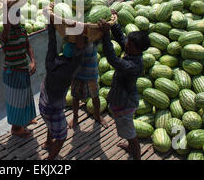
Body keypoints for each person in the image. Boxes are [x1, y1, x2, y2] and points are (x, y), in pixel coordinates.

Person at [98, 12, 150, 160]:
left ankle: (137, 155)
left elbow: (112, 59)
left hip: (125, 104)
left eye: (130, 45)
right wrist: (114, 25)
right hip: (121, 100)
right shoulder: (132, 51)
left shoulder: (133, 66)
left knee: (130, 134)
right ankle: (130, 146)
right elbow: (121, 38)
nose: (126, 45)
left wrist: (105, 35)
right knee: (126, 130)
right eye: (127, 43)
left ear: (139, 49)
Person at [39, 21, 87, 160]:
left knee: (51, 124)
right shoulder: (69, 71)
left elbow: (52, 44)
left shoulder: (51, 62)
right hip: (54, 108)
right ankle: (49, 160)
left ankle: (48, 142)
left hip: (42, 104)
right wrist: (79, 30)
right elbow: (78, 54)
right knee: (61, 136)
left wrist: (51, 26)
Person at [0, 6, 37, 139]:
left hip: (23, 70)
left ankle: (26, 119)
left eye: (17, 15)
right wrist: (6, 6)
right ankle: (16, 128)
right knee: (16, 100)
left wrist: (32, 61)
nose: (15, 18)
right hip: (12, 73)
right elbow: (6, 29)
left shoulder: (22, 30)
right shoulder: (4, 33)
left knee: (26, 96)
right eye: (12, 16)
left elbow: (28, 45)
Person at [69, 41, 107, 129]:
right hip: (77, 76)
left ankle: (97, 115)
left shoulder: (93, 42)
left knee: (95, 97)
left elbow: (101, 34)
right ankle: (75, 117)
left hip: (91, 76)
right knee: (76, 98)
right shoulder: (72, 43)